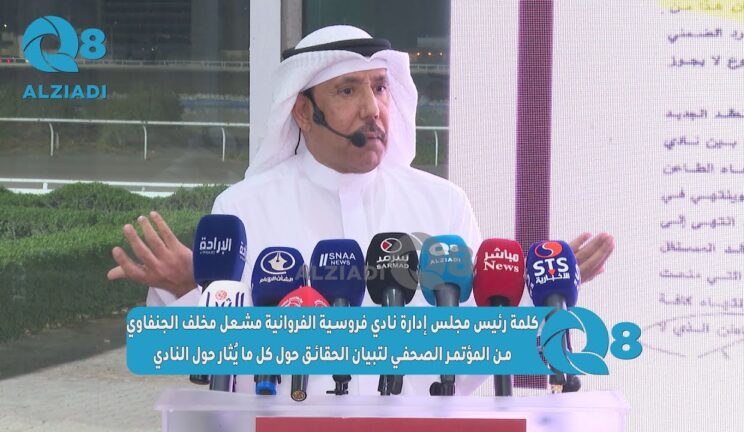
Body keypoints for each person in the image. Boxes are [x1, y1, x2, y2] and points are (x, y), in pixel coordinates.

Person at [108, 25, 615, 396]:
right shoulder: (242, 209)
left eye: (379, 87)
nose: (372, 109)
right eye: (348, 90)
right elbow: (223, 372)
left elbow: (465, 364)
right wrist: (189, 291)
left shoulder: (442, 204)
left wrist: (535, 302)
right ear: (303, 111)